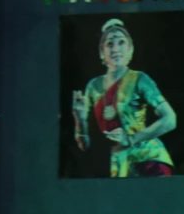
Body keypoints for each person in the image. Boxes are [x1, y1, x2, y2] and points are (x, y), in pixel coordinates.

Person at [70, 17, 178, 179]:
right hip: (121, 166)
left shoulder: (140, 79)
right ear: (101, 52)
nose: (115, 48)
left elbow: (170, 119)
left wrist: (132, 139)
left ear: (130, 50)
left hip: (150, 160)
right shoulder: (93, 87)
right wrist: (80, 119)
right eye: (109, 44)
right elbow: (84, 145)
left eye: (121, 42)